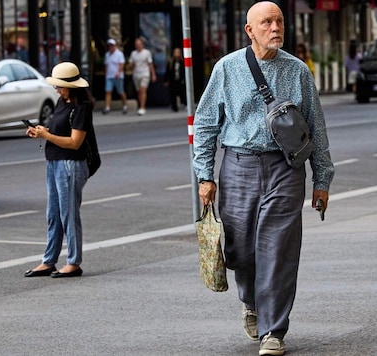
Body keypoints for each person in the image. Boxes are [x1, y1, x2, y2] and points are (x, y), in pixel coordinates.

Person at [192, 2, 334, 355]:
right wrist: (204, 175)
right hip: (238, 166)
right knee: (240, 249)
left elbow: (316, 127)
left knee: (279, 249)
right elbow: (207, 122)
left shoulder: (298, 71)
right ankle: (251, 302)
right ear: (250, 30)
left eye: (279, 21)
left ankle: (274, 331)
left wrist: (322, 179)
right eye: (267, 22)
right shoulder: (227, 68)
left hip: (285, 169)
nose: (275, 28)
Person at [23, 62, 94, 278]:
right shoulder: (61, 102)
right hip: (54, 162)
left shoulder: (82, 107)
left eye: (60, 86)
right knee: (53, 214)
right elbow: (57, 130)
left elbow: (74, 142)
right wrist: (41, 131)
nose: (56, 89)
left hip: (70, 164)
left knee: (69, 214)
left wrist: (47, 136)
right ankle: (49, 260)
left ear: (71, 86)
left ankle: (73, 262)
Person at [129, 37, 157, 116]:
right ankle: (140, 105)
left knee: (142, 89)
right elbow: (130, 64)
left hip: (145, 73)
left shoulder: (147, 53)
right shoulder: (133, 53)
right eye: (136, 44)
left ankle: (142, 107)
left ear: (142, 44)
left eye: (139, 44)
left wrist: (153, 74)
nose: (138, 46)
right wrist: (131, 65)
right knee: (139, 91)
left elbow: (150, 64)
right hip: (136, 74)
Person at [103, 38, 128, 115]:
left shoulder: (119, 54)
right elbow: (106, 65)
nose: (110, 47)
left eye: (112, 45)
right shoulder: (107, 55)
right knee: (108, 91)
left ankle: (124, 105)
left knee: (121, 92)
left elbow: (121, 64)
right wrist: (106, 74)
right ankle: (107, 107)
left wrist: (119, 72)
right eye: (109, 46)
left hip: (118, 76)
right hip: (109, 76)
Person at [164, 47, 185, 112]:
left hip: (180, 80)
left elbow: (184, 71)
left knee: (181, 92)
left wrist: (183, 79)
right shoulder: (171, 62)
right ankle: (174, 107)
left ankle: (184, 103)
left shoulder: (182, 62)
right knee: (173, 93)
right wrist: (166, 80)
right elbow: (167, 71)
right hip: (172, 80)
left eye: (178, 52)